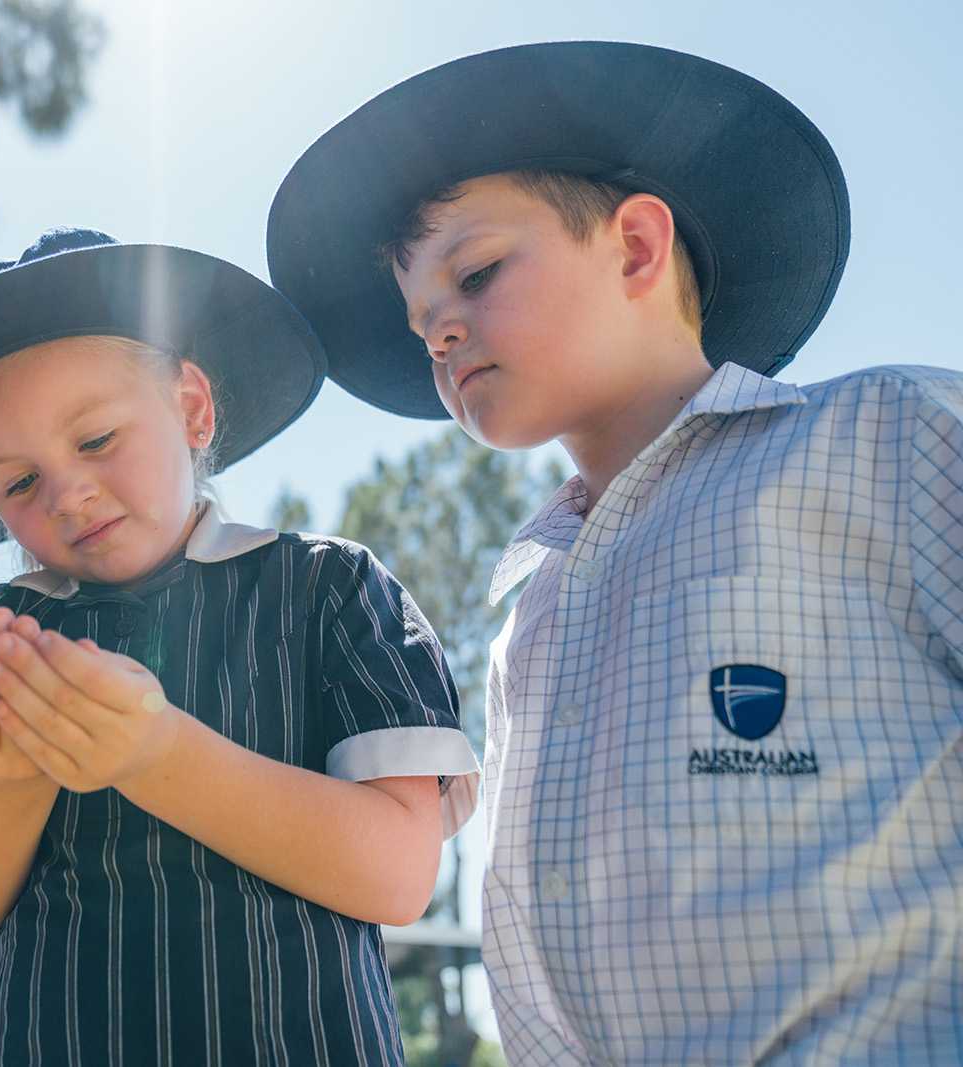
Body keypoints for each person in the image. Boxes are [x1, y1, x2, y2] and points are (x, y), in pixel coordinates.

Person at [267, 40, 963, 1065]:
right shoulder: (528, 612)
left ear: (636, 247)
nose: (440, 334)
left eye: (475, 273)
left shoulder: (886, 434)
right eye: (421, 322)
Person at [0, 227, 481, 1066]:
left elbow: (398, 874)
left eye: (96, 439)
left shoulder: (332, 588)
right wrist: (8, 777)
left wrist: (156, 753)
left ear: (192, 407)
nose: (69, 490)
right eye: (18, 482)